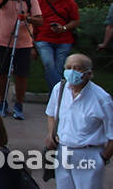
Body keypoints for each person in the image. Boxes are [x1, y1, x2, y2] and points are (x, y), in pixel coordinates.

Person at [45, 54, 113, 188]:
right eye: (68, 67)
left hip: (88, 154)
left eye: (77, 68)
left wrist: (103, 158)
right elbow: (51, 114)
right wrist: (51, 133)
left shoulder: (102, 99)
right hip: (63, 151)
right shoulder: (60, 89)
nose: (71, 72)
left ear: (89, 73)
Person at [0, 0, 42, 120]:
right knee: (3, 73)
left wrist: (28, 18)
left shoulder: (31, 0)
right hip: (2, 42)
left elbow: (40, 21)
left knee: (21, 75)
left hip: (23, 44)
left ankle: (19, 103)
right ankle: (2, 102)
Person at [33, 0, 80, 91]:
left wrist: (63, 28)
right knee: (49, 65)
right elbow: (32, 21)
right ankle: (59, 95)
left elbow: (76, 20)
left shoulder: (67, 1)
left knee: (59, 68)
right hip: (43, 38)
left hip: (63, 39)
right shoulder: (38, 1)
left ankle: (55, 96)